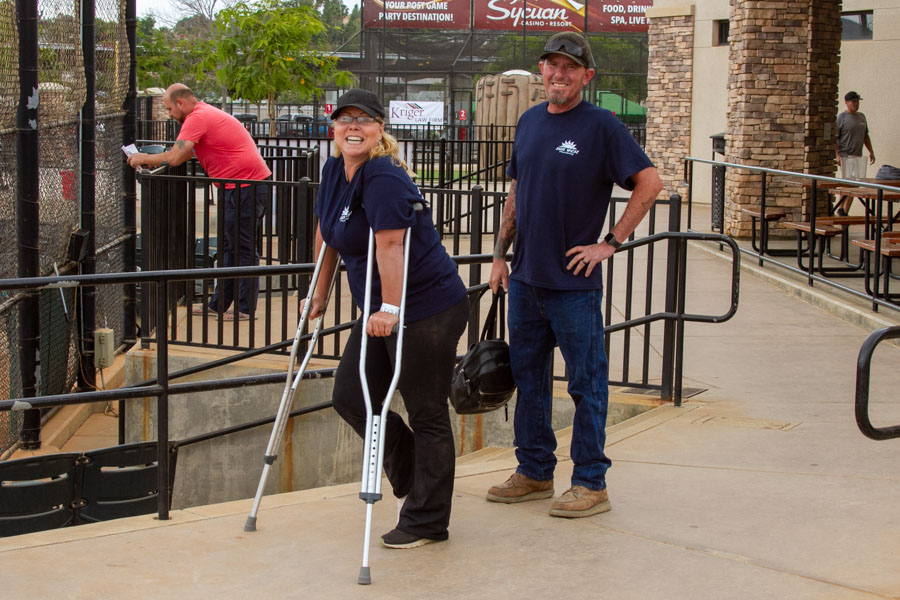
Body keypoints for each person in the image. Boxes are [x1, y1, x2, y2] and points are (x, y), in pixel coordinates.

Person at [486, 32, 663, 518]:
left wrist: (610, 242)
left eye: (569, 67)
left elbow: (650, 183)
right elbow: (517, 193)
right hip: (525, 280)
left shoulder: (601, 126)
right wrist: (500, 255)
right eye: (552, 65)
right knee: (529, 380)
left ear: (586, 76)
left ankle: (590, 482)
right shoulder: (529, 121)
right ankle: (534, 471)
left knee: (587, 384)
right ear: (542, 70)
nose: (559, 74)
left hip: (573, 286)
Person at [306, 89, 469, 548]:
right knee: (351, 397)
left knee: (426, 410)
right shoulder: (335, 170)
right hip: (380, 310)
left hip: (426, 307)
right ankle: (416, 477)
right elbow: (328, 234)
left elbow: (391, 244)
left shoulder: (384, 177)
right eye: (345, 119)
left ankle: (427, 520)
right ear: (333, 128)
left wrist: (391, 309)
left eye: (364, 119)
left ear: (380, 128)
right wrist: (318, 293)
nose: (353, 127)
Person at [127, 83, 272, 321]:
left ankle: (245, 309)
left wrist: (143, 157)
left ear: (181, 103)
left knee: (243, 249)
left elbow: (176, 157)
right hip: (236, 187)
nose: (169, 114)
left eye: (169, 109)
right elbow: (182, 153)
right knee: (229, 249)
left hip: (245, 187)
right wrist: (153, 160)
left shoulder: (197, 117)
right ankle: (218, 305)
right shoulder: (203, 114)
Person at [834, 91, 876, 215]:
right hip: (845, 154)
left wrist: (871, 151)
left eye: (857, 102)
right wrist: (837, 155)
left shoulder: (862, 117)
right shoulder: (841, 117)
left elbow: (865, 136)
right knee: (848, 182)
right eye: (853, 102)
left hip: (858, 155)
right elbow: (835, 138)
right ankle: (840, 207)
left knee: (855, 185)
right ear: (846, 102)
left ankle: (845, 211)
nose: (856, 104)